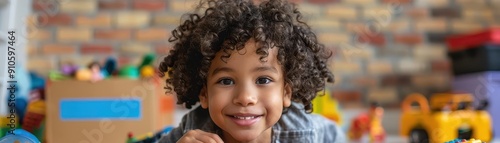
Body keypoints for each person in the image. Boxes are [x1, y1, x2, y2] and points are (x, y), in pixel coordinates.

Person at [157, 0, 346, 142]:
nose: (245, 97)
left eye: (263, 80)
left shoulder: (314, 132)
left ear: (286, 92)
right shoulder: (191, 131)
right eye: (226, 81)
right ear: (204, 94)